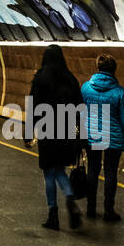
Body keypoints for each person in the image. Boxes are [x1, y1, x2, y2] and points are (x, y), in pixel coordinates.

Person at [28, 44, 84, 230]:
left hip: (47, 130)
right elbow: (80, 109)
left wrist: (29, 133)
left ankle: (53, 214)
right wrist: (80, 135)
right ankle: (69, 196)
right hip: (66, 130)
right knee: (60, 170)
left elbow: (33, 106)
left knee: (49, 173)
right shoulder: (70, 79)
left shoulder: (40, 78)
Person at [80, 52, 124, 220]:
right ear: (114, 70)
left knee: (93, 171)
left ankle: (90, 208)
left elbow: (80, 112)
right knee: (111, 173)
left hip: (92, 136)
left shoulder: (85, 88)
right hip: (113, 138)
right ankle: (108, 211)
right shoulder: (120, 93)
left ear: (97, 67)